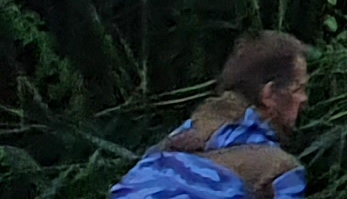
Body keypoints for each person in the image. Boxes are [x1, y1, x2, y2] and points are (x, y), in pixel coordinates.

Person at [113, 36, 308, 199]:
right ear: (269, 94)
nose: (304, 99)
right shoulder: (280, 169)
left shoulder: (185, 132)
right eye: (298, 89)